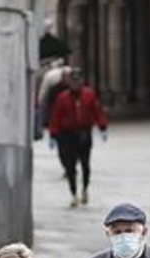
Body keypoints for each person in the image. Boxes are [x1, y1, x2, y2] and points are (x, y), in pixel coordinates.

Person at [45, 68, 110, 208]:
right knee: (70, 166)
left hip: (84, 134)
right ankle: (74, 194)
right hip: (67, 135)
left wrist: (102, 126)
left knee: (85, 164)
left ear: (82, 81)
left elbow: (97, 111)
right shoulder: (62, 98)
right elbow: (56, 116)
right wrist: (53, 134)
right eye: (73, 80)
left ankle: (85, 189)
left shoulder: (89, 95)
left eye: (78, 80)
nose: (76, 83)